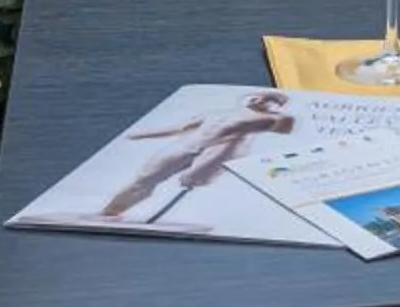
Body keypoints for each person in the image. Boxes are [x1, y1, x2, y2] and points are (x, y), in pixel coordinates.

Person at [100, 90, 300, 223]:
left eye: (272, 100)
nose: (262, 100)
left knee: (190, 180)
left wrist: (279, 113)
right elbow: (178, 129)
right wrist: (140, 134)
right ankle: (110, 212)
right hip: (185, 146)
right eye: (263, 97)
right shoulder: (216, 113)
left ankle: (113, 213)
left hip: (215, 154)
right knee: (144, 180)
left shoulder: (267, 120)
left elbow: (286, 127)